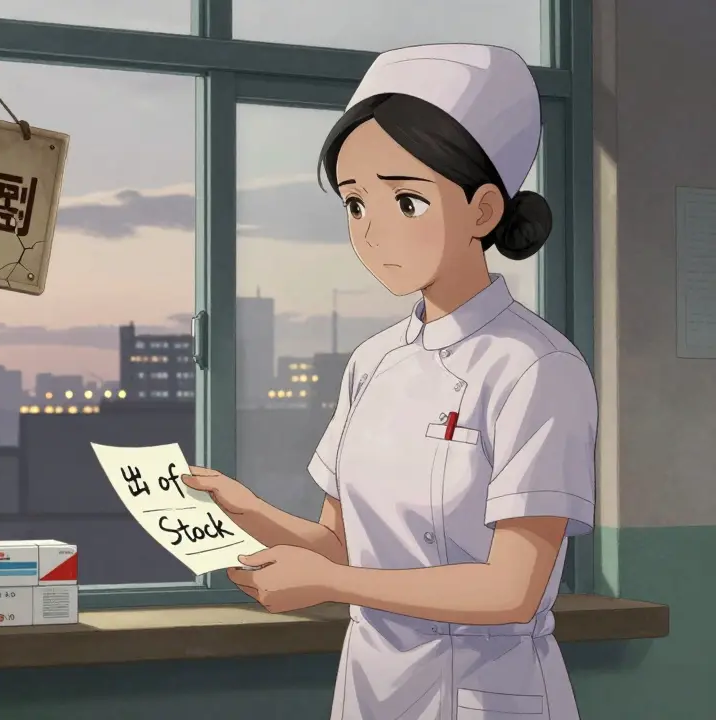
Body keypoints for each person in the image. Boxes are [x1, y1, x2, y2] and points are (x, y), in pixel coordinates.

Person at [183, 44, 596, 720]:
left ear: (484, 210)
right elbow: (341, 545)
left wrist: (333, 583)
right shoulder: (373, 362)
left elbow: (512, 588)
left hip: (487, 695)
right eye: (354, 204)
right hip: (372, 686)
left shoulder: (537, 369)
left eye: (405, 200)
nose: (371, 231)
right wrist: (243, 508)